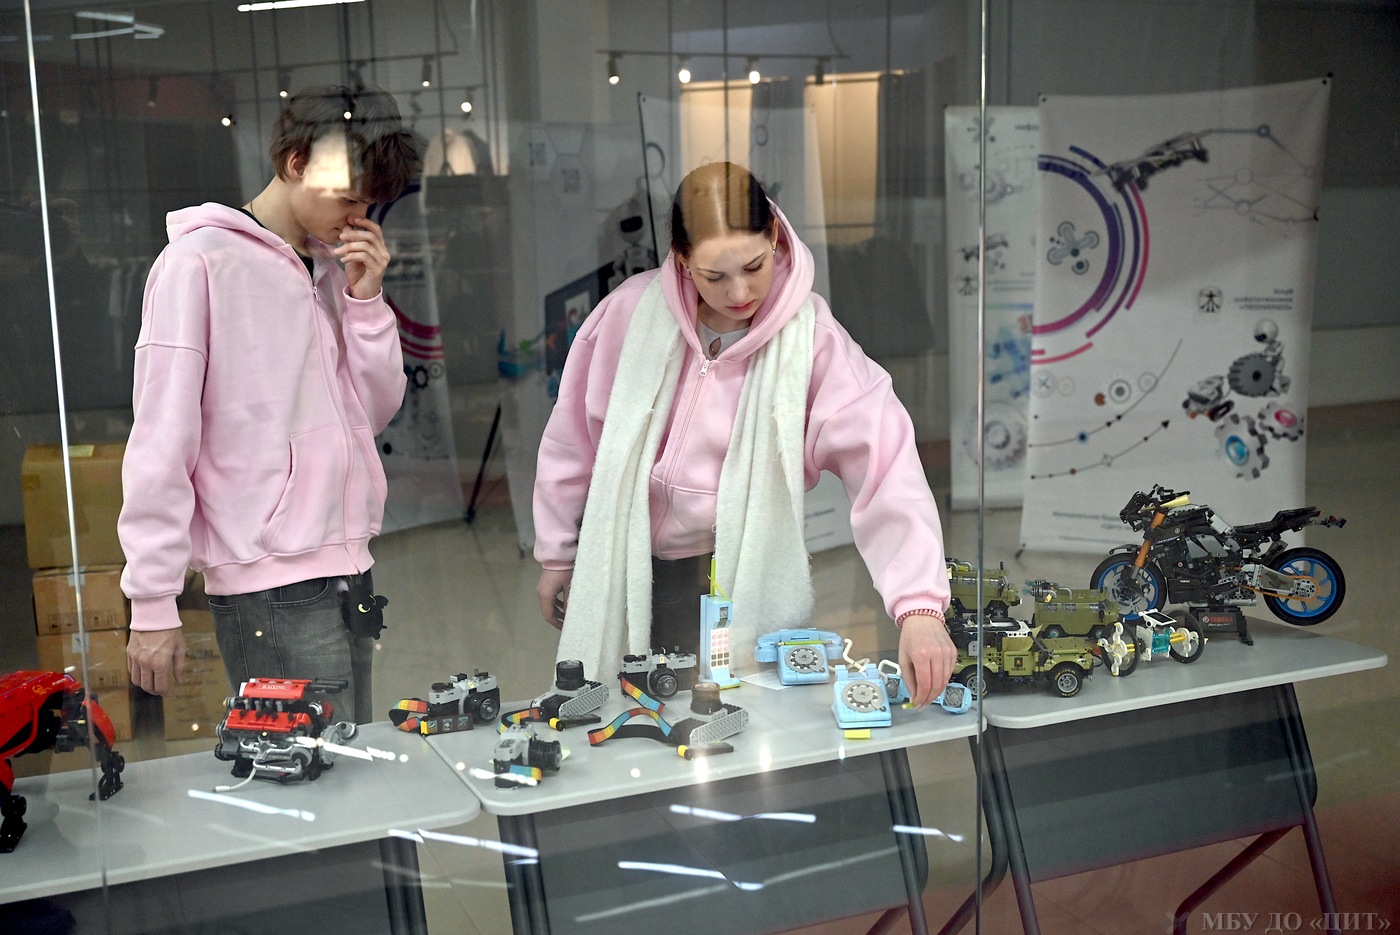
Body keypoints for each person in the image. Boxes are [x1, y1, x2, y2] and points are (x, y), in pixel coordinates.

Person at [533, 162, 956, 706]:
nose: (739, 292)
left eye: (754, 266)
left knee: (740, 722)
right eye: (714, 276)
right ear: (681, 259)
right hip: (622, 564)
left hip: (733, 574)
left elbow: (887, 469)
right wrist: (558, 553)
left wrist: (919, 607)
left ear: (774, 235)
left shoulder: (813, 343)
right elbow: (572, 439)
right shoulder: (628, 316)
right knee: (621, 716)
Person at [118, 85, 423, 724]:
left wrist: (366, 302)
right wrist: (152, 602)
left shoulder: (332, 268)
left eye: (370, 203)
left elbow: (371, 414)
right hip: (268, 582)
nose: (358, 216)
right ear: (295, 163)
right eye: (348, 197)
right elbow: (161, 440)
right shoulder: (197, 265)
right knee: (308, 767)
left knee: (348, 757)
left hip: (347, 565)